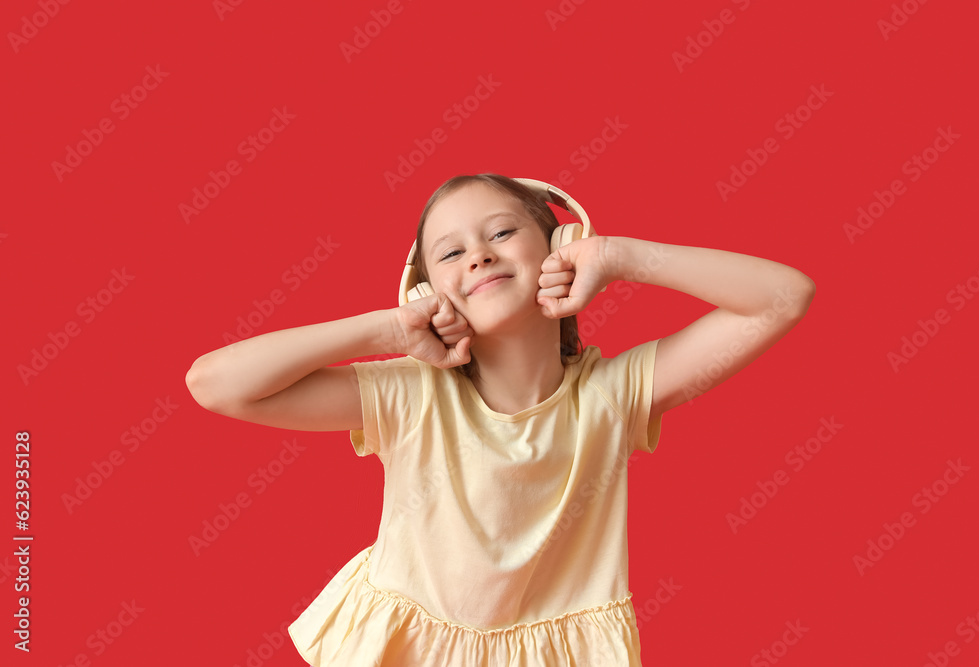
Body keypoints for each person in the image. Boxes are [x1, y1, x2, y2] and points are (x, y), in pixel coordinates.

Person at [185, 173, 816, 666]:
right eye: (451, 252)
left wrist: (621, 257)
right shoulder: (413, 396)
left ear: (561, 247)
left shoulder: (613, 394)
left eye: (503, 233)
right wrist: (384, 329)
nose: (479, 256)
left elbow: (784, 298)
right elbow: (214, 385)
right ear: (425, 293)